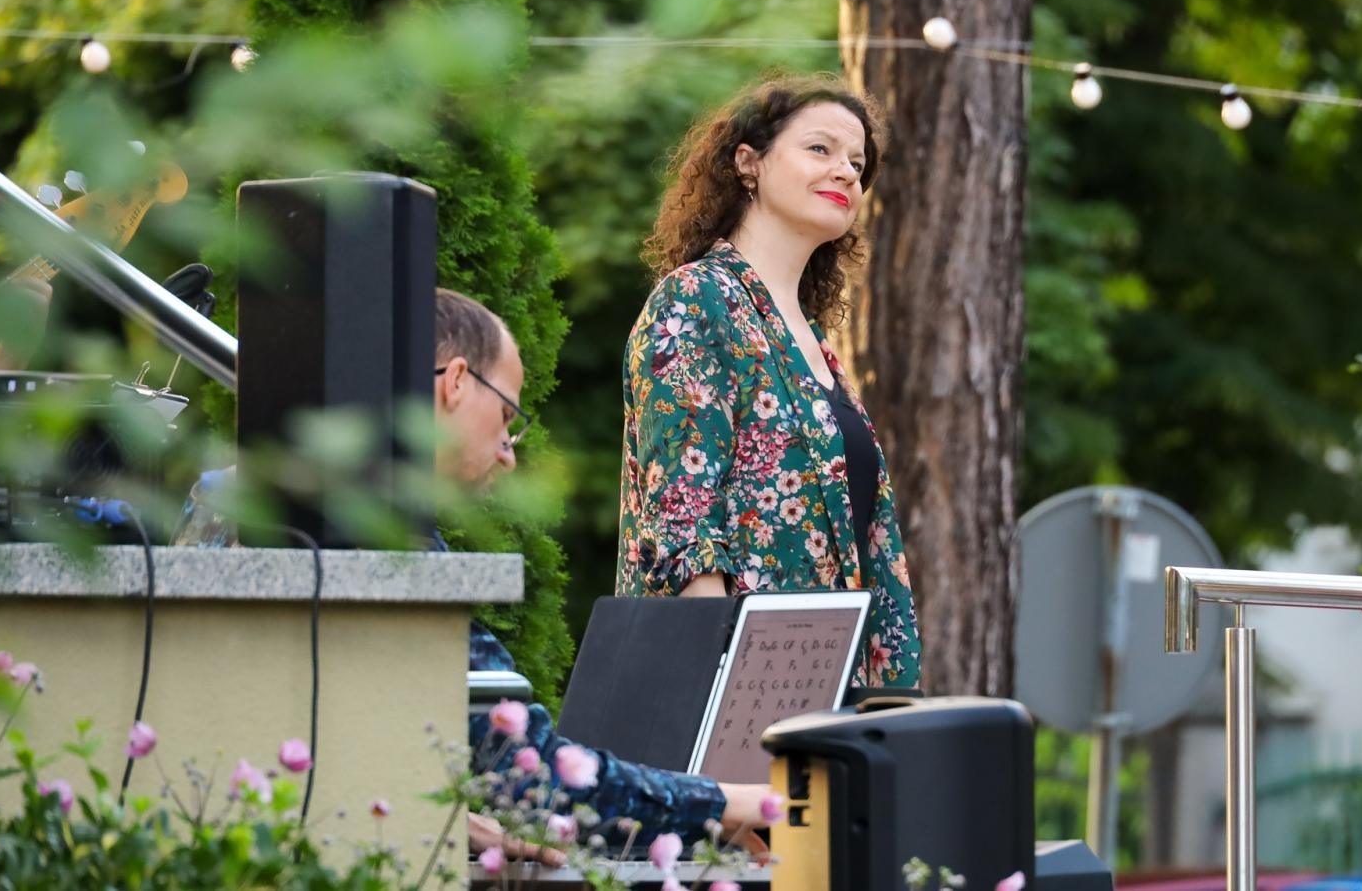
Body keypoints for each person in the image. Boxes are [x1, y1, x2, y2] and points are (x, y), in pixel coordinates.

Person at [179, 287, 775, 865]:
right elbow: (529, 774)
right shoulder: (381, 535)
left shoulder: (230, 496)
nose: (508, 454)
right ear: (457, 382)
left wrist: (445, 815)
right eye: (507, 416)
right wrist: (732, 802)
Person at [616, 76, 922, 689]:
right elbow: (682, 522)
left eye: (857, 163)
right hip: (734, 692)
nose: (846, 172)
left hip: (825, 691)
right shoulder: (697, 299)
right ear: (748, 163)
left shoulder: (810, 340)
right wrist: (724, 686)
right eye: (820, 149)